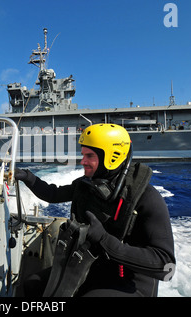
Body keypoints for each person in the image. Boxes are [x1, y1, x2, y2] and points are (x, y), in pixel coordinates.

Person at [16, 123, 175, 297]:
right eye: (83, 154)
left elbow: (165, 266)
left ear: (111, 157)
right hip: (92, 267)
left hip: (130, 281)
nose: (82, 161)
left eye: (89, 155)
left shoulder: (146, 197)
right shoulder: (88, 185)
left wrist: (104, 239)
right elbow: (54, 194)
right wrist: (27, 177)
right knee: (32, 285)